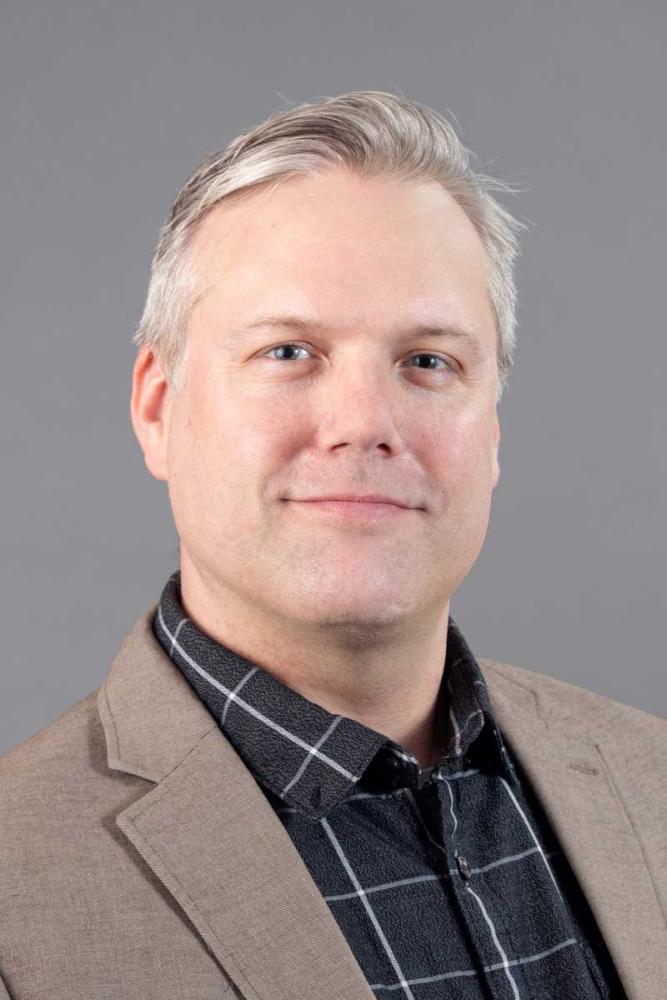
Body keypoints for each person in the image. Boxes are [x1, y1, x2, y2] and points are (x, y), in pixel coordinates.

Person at [0, 91, 664, 1000]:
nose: (364, 423)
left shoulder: (648, 776)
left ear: (492, 433)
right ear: (158, 409)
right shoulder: (17, 889)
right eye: (288, 352)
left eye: (427, 361)